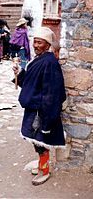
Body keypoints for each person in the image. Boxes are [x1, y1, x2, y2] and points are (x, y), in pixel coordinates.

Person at [12, 27, 66, 186]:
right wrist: (19, 72)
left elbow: (52, 93)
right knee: (36, 141)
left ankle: (45, 170)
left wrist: (48, 119)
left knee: (41, 141)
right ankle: (42, 164)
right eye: (34, 41)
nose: (35, 45)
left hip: (42, 111)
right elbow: (30, 81)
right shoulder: (38, 59)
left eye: (39, 42)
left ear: (47, 45)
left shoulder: (49, 63)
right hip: (34, 109)